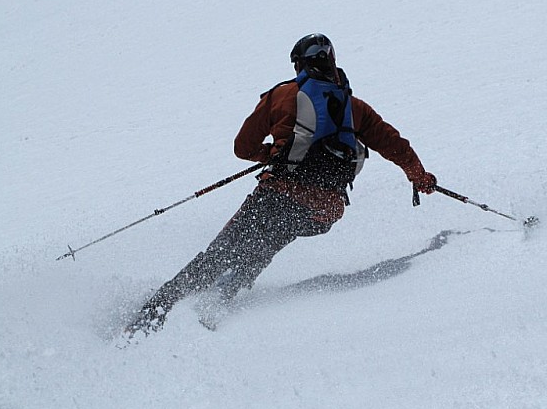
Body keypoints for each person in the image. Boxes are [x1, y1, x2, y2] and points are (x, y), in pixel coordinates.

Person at [126, 33, 437, 336]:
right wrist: (419, 176)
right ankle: (216, 306)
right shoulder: (354, 108)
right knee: (265, 246)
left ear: (298, 65)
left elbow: (242, 147)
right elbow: (394, 144)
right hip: (324, 211)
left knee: (222, 251)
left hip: (278, 193)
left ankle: (157, 311)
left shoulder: (282, 96)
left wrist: (272, 155)